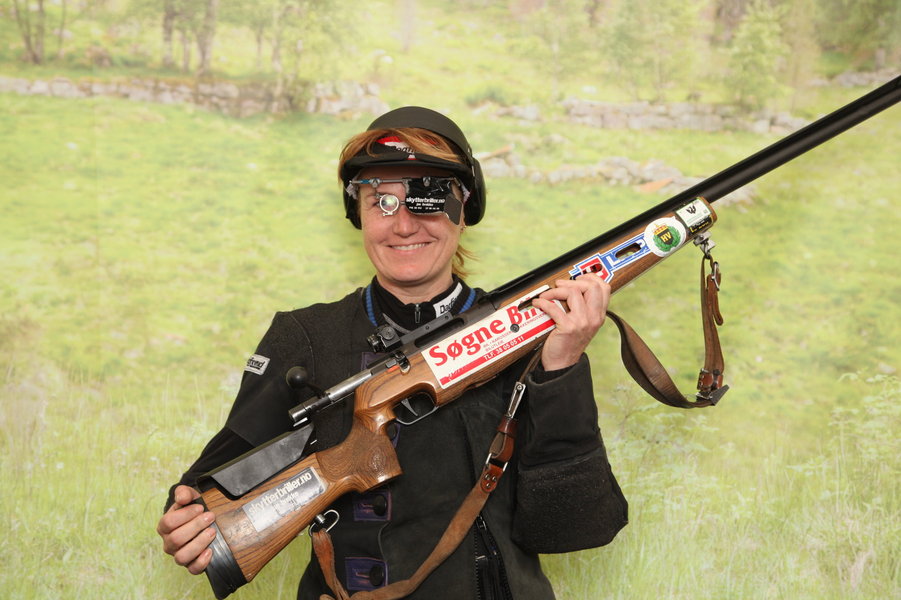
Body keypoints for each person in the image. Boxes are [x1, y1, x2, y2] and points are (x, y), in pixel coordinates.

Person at [157, 106, 628, 599]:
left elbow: (575, 527)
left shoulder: (531, 332)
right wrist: (187, 520)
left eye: (426, 199)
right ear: (356, 214)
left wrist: (562, 367)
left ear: (465, 208)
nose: (403, 225)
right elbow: (212, 487)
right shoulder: (306, 336)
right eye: (380, 201)